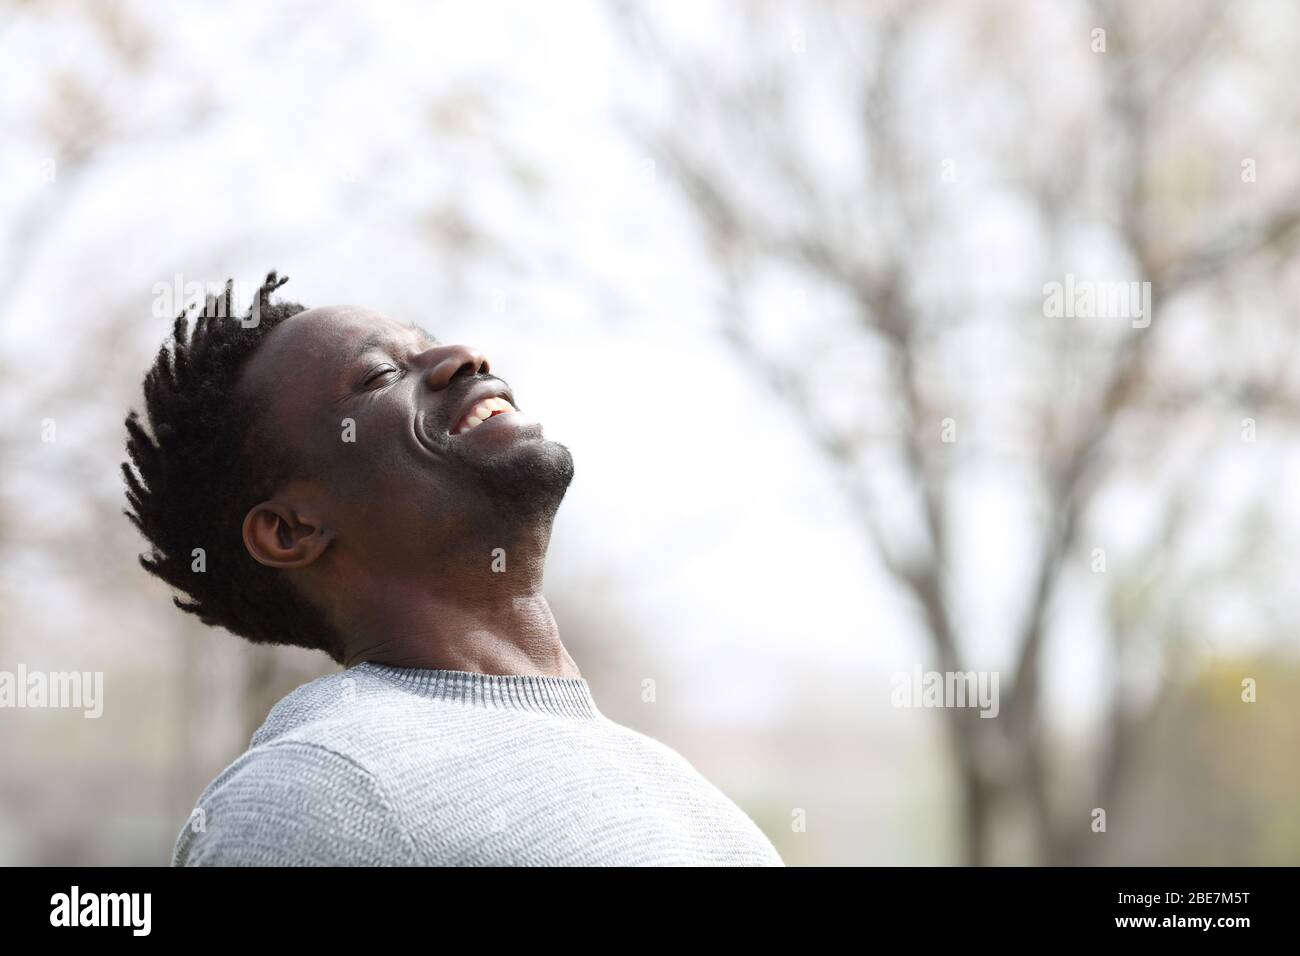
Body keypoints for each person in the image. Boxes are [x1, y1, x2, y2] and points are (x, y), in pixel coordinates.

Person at [123, 272, 784, 866]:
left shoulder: (700, 809)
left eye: (427, 343)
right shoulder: (317, 792)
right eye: (381, 376)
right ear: (292, 530)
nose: (464, 356)